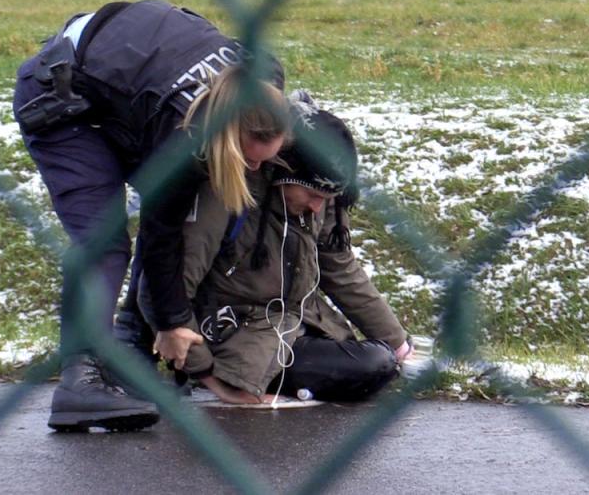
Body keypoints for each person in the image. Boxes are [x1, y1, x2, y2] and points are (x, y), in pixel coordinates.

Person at [13, 0, 290, 431]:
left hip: (125, 88)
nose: (255, 170)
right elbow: (163, 232)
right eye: (249, 159)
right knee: (104, 241)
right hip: (58, 97)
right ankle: (79, 380)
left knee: (198, 192)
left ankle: (130, 348)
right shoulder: (181, 139)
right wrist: (173, 322)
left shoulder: (264, 78)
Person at [133, 93, 414, 404]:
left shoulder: (320, 196)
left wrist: (398, 343)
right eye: (312, 195)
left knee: (383, 359)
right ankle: (251, 379)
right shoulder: (227, 194)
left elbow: (340, 267)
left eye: (328, 199)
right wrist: (208, 375)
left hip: (293, 324)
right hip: (235, 335)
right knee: (373, 365)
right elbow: (163, 289)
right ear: (282, 171)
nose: (317, 207)